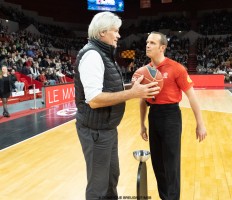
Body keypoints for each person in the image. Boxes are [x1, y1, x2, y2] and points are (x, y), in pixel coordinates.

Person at [74, 12, 160, 200]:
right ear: (103, 32)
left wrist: (135, 86)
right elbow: (94, 99)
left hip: (107, 129)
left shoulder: (104, 54)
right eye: (116, 31)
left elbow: (111, 89)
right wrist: (133, 93)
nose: (118, 35)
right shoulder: (92, 56)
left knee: (111, 178)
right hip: (95, 131)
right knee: (98, 187)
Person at [139, 32, 207, 200]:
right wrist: (142, 124)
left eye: (152, 43)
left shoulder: (176, 68)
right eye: (147, 42)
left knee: (171, 163)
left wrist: (200, 123)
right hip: (153, 115)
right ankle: (165, 197)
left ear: (162, 47)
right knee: (157, 163)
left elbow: (192, 96)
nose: (148, 45)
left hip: (171, 116)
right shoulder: (146, 71)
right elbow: (143, 100)